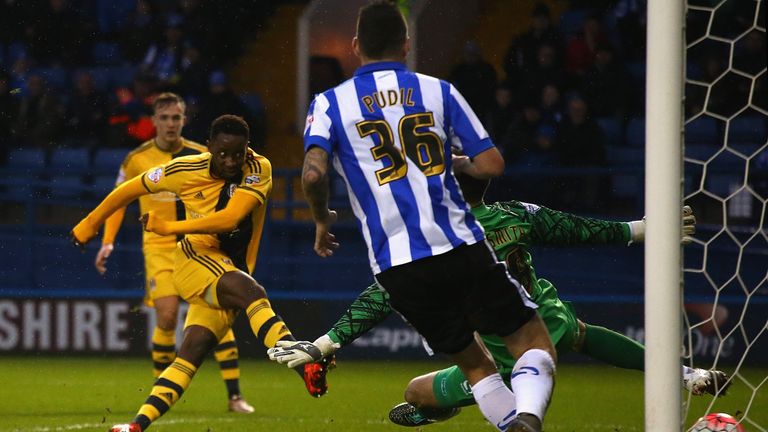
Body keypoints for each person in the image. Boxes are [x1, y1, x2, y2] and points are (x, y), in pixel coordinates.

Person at [275, 3, 556, 431]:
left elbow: (312, 173)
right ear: (406, 45)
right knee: (533, 342)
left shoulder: (330, 103)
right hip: (458, 245)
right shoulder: (437, 90)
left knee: (475, 367)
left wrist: (321, 219)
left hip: (397, 268)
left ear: (354, 46)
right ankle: (529, 417)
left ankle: (513, 424)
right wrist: (456, 164)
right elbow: (492, 165)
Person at [274, 174, 732, 427]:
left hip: (498, 347)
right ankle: (687, 373)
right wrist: (642, 229)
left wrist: (326, 342)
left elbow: (385, 293)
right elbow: (577, 229)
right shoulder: (516, 214)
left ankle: (511, 412)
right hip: (540, 311)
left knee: (489, 373)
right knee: (575, 334)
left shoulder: (437, 237)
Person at [71, 115, 332, 432]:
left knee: (190, 353)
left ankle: (136, 425)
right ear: (209, 147)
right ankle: (304, 366)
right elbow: (128, 190)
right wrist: (90, 224)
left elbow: (229, 219)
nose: (231, 161)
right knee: (253, 293)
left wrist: (170, 226)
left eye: (238, 153)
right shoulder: (183, 170)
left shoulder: (259, 168)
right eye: (223, 153)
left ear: (247, 149)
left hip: (227, 267)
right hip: (195, 259)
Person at [94, 92, 255, 414]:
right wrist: (107, 241)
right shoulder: (136, 158)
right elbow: (119, 200)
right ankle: (160, 389)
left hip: (202, 246)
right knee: (166, 316)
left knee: (215, 319)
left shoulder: (204, 155)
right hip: (159, 248)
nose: (170, 124)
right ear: (153, 121)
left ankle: (235, 396)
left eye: (176, 117)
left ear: (184, 120)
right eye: (164, 118)